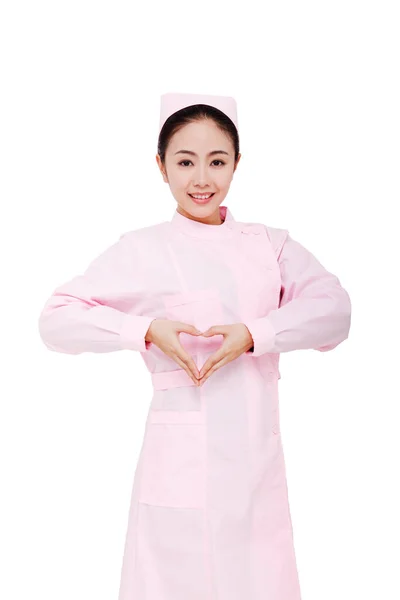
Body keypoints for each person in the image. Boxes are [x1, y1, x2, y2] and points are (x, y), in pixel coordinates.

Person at [38, 91, 352, 600]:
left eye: (217, 161)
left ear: (237, 164)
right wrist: (144, 330)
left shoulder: (269, 245)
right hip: (178, 470)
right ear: (160, 166)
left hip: (256, 474)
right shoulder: (143, 250)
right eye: (185, 161)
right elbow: (55, 320)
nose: (201, 178)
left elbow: (335, 312)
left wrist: (255, 333)